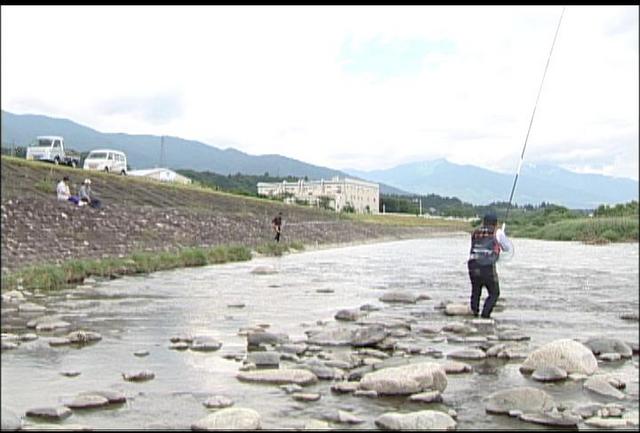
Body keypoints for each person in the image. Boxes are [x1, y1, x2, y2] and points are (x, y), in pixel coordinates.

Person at [467, 212, 511, 319]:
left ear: (483, 222)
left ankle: (474, 313)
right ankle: (485, 315)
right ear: (496, 223)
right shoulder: (498, 233)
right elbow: (507, 248)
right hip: (487, 266)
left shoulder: (475, 232)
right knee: (494, 293)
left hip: (472, 264)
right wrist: (501, 235)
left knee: (476, 290)